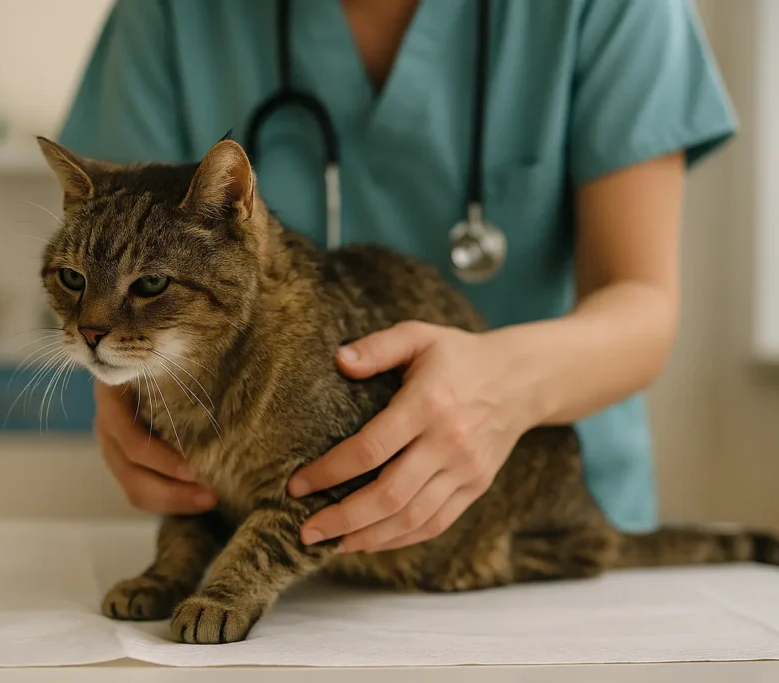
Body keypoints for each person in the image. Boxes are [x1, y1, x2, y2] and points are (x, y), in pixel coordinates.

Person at [59, 0, 736, 554]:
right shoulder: (169, 13)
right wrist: (120, 385)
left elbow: (643, 306)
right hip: (249, 527)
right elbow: (112, 244)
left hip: (526, 533)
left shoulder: (614, 10)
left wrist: (504, 388)